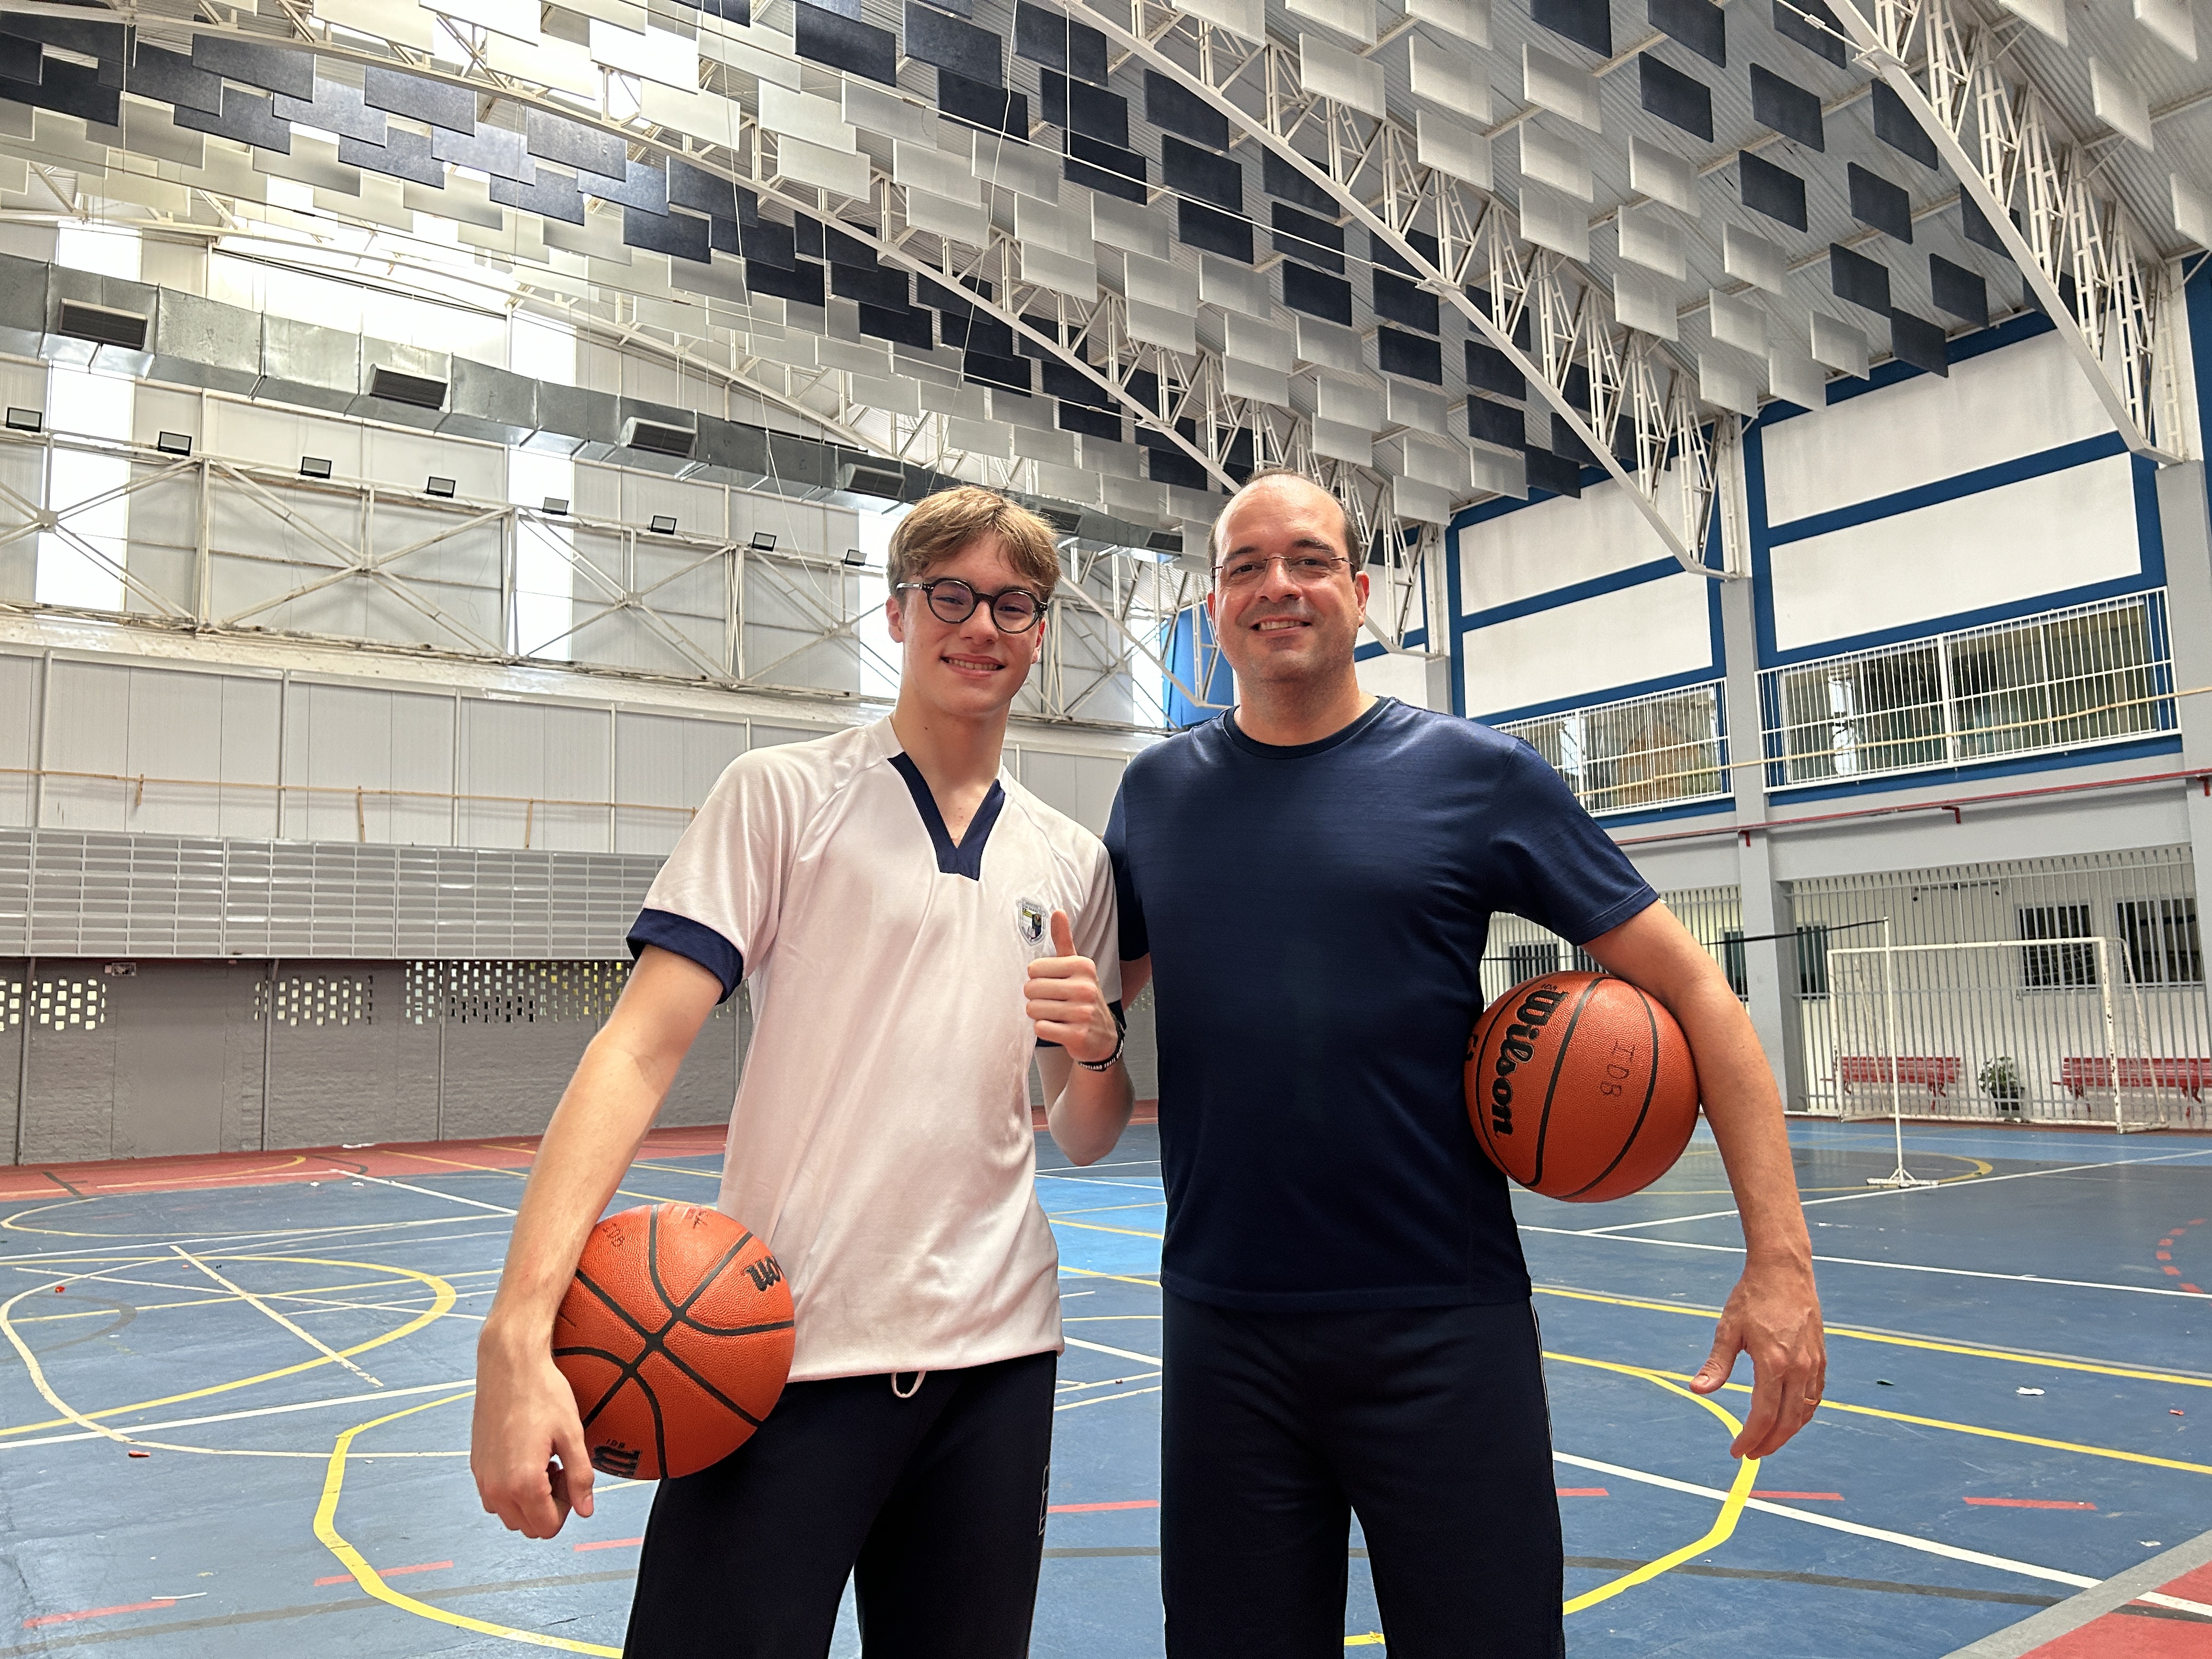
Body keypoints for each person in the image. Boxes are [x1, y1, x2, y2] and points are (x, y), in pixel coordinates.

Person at [1106, 469, 1827, 1658]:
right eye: (1245, 566)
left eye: (1308, 560)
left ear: (1363, 593)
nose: (1277, 586)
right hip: (1225, 1334)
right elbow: (1079, 1020)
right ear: (1216, 604)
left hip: (1443, 1329)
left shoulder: (1475, 775)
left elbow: (1698, 989)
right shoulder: (1156, 794)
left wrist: (1780, 1265)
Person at [470, 486, 1137, 1658]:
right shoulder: (781, 796)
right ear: (897, 613)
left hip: (998, 1363)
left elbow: (1082, 1131)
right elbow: (636, 1048)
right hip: (773, 1356)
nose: (981, 625)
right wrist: (515, 1335)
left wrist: (1097, 1050)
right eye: (952, 595)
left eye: (1014, 605)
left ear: (1042, 634)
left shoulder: (1070, 859)